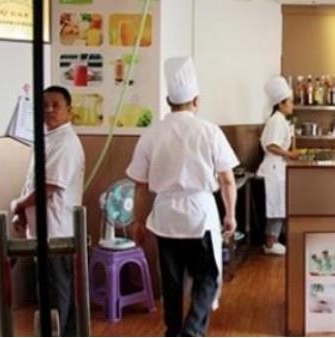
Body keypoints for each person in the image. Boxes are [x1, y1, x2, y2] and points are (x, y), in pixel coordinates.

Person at [126, 57, 239, 337]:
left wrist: (137, 221)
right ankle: (192, 331)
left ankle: (174, 331)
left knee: (172, 283)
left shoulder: (151, 134)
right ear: (196, 101)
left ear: (168, 101)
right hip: (199, 216)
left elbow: (140, 185)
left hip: (165, 218)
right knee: (207, 277)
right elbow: (227, 179)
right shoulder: (209, 131)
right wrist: (230, 215)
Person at [11, 85, 85, 337]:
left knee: (56, 294)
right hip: (42, 231)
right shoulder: (47, 138)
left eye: (56, 105)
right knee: (51, 292)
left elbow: (49, 187)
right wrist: (23, 212)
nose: (49, 110)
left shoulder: (66, 143)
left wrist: (20, 205)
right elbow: (33, 183)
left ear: (69, 111)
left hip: (57, 232)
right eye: (44, 106)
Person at [257, 76, 299, 256]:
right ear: (281, 104)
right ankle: (270, 243)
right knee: (276, 207)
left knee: (279, 206)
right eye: (290, 102)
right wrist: (290, 154)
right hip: (273, 170)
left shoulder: (280, 120)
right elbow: (270, 145)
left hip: (278, 168)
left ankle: (273, 241)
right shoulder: (276, 120)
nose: (292, 105)